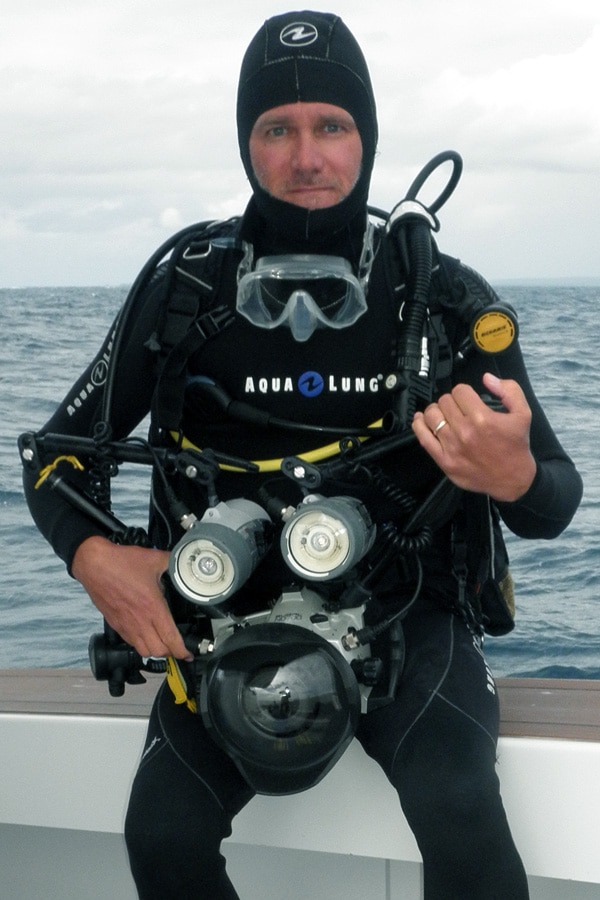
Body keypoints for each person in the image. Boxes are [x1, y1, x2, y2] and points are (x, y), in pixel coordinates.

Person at [22, 10, 583, 900]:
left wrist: (509, 475)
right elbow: (50, 458)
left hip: (409, 617)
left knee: (460, 804)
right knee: (161, 835)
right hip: (220, 626)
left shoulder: (439, 298)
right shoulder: (185, 288)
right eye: (276, 129)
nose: (307, 156)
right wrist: (98, 561)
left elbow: (553, 498)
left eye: (332, 126)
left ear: (366, 137)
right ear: (246, 144)